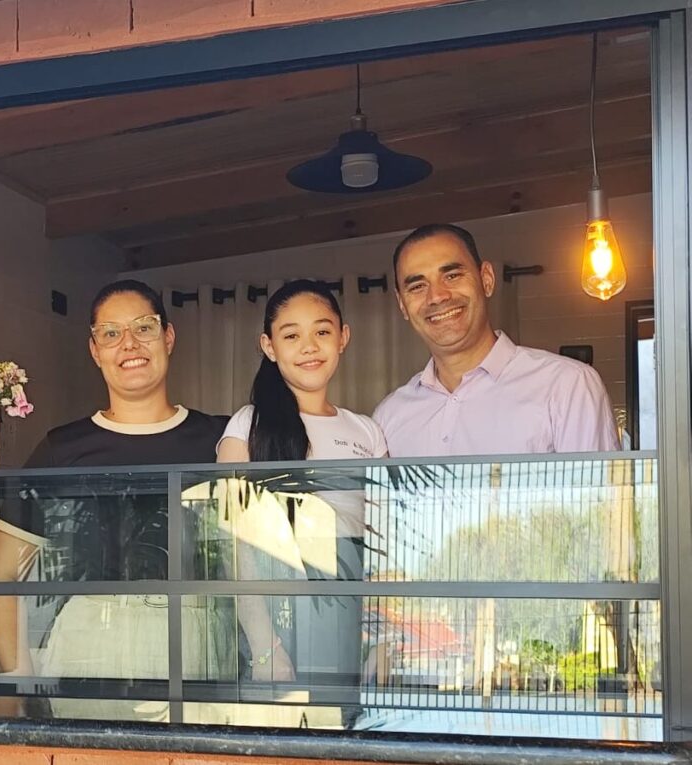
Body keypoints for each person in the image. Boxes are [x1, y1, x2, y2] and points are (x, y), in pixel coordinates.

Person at [0, 279, 227, 700]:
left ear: (168, 337)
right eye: (111, 334)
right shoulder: (62, 448)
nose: (129, 344)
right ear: (95, 351)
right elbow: (0, 574)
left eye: (144, 327)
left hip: (199, 641)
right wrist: (19, 683)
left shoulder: (221, 439)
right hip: (90, 643)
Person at [216, 279, 387, 690]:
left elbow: (386, 544)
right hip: (277, 613)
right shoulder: (247, 425)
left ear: (343, 337)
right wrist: (265, 646)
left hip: (353, 606)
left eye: (322, 331)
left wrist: (381, 639)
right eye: (291, 336)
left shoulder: (367, 431)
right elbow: (232, 543)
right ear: (269, 346)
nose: (309, 347)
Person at [373, 223, 620, 457]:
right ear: (402, 305)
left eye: (452, 276)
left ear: (487, 280)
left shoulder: (566, 385)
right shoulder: (388, 417)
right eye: (417, 287)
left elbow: (598, 489)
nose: (437, 296)